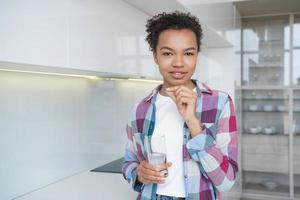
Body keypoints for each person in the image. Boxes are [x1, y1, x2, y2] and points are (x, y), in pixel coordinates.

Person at [122, 11, 238, 200]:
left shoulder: (220, 103)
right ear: (155, 56)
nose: (178, 63)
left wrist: (193, 122)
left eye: (188, 53)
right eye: (168, 53)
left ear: (197, 55)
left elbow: (226, 180)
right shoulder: (139, 109)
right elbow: (129, 163)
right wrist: (139, 174)